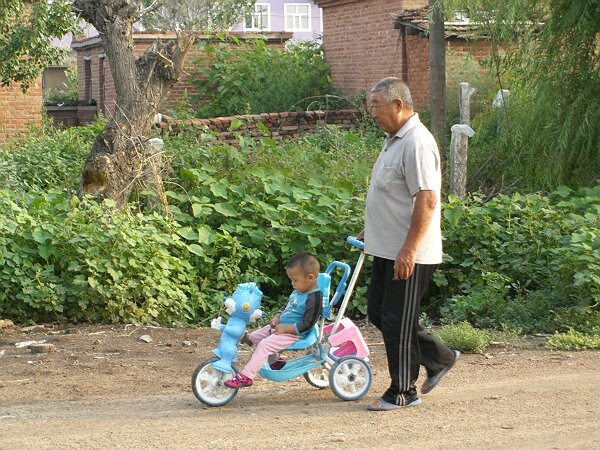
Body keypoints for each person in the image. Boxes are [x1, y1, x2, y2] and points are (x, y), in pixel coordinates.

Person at [358, 77, 460, 411]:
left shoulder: (416, 141)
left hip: (409, 252)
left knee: (397, 320)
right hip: (387, 247)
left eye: (376, 104)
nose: (371, 112)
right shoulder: (394, 139)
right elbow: (392, 194)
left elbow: (426, 200)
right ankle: (440, 357)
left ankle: (403, 391)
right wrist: (370, 229)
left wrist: (409, 249)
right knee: (380, 312)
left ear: (398, 105)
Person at [224, 252, 323, 388]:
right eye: (291, 280)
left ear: (310, 278)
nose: (292, 284)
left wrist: (286, 328)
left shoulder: (314, 298)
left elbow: (308, 323)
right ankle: (275, 361)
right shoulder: (299, 290)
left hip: (295, 334)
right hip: (281, 328)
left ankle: (246, 376)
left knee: (264, 345)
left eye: (295, 280)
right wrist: (277, 316)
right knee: (254, 336)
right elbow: (286, 306)